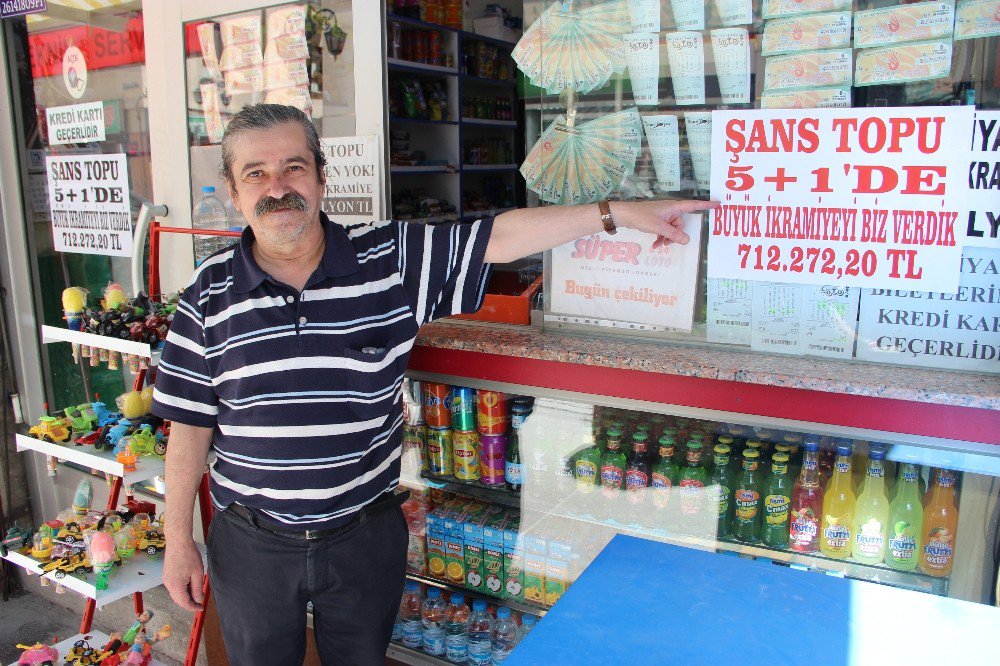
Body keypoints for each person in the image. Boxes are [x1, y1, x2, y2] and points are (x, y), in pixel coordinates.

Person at [153, 104, 715, 665]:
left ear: (322, 177)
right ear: (233, 190)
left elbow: (497, 237)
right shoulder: (208, 294)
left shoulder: (388, 259)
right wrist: (178, 540)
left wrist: (615, 212)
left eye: (294, 167)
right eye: (256, 173)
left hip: (362, 536)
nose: (277, 188)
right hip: (252, 541)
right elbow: (188, 430)